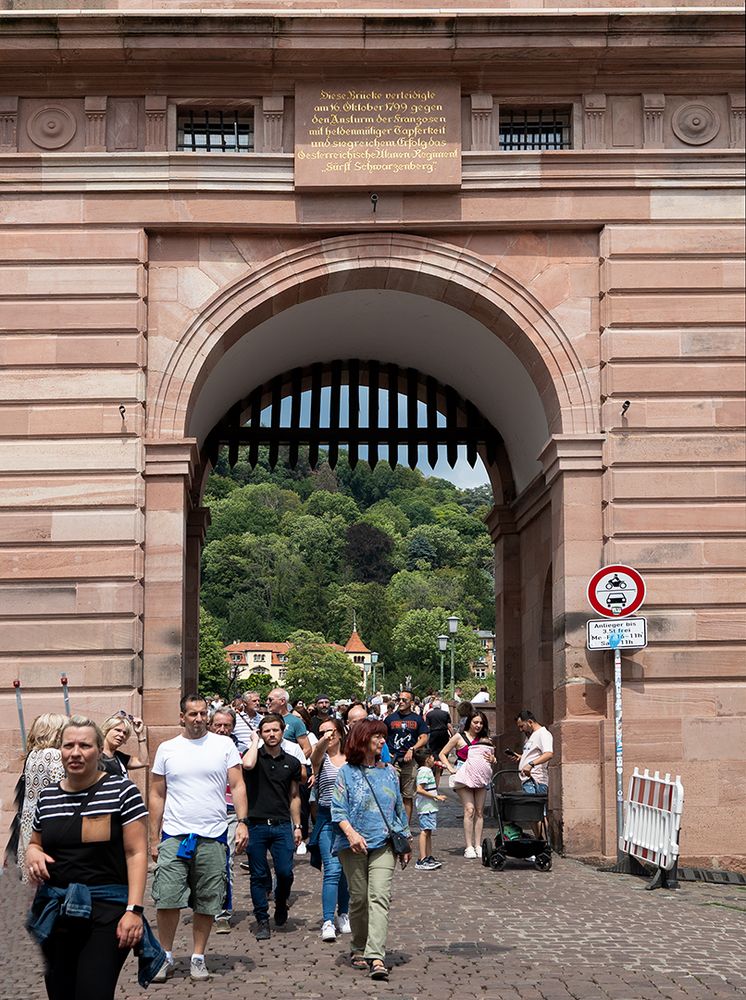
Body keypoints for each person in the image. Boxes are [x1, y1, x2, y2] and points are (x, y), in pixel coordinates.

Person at [24, 716, 163, 999]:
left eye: (85, 745)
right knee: (61, 993)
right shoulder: (48, 797)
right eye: (69, 745)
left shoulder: (122, 792)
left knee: (93, 992)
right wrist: (33, 852)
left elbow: (135, 853)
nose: (75, 752)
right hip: (57, 911)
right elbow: (36, 841)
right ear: (59, 750)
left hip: (107, 911)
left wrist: (134, 910)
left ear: (99, 751)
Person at [149, 694, 249, 982]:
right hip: (175, 835)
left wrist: (242, 822)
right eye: (192, 714)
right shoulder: (167, 749)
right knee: (167, 898)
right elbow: (157, 794)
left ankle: (198, 956)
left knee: (207, 901)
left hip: (213, 834)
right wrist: (153, 839)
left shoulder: (224, 745)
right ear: (182, 717)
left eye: (202, 713)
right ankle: (165, 956)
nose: (198, 719)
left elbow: (238, 784)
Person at [331, 719, 411, 982]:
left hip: (384, 844)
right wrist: (351, 834)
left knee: (379, 897)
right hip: (352, 844)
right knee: (359, 899)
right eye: (377, 736)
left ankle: (376, 955)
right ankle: (358, 945)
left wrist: (405, 841)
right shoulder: (346, 772)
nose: (382, 741)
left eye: (382, 737)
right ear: (362, 739)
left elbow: (399, 810)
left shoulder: (390, 772)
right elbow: (338, 809)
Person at [241, 713, 303, 941]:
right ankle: (262, 920)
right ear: (260, 733)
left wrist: (297, 826)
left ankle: (280, 901)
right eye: (266, 731)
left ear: (282, 731)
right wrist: (254, 742)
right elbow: (247, 764)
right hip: (255, 825)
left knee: (285, 872)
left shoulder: (292, 762)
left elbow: (294, 796)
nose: (271, 735)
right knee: (258, 875)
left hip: (281, 825)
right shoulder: (253, 757)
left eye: (275, 730)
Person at [9, 713, 66, 883]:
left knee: (31, 875)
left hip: (28, 818)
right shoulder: (54, 755)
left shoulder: (32, 754)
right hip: (47, 819)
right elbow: (60, 786)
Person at [308, 717, 351, 942]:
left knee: (345, 871)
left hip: (351, 822)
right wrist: (323, 741)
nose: (328, 735)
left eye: (331, 731)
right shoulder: (321, 759)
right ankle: (327, 920)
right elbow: (314, 755)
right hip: (327, 820)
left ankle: (343, 913)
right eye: (322, 732)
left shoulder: (352, 758)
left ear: (341, 733)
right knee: (332, 869)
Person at [209, 706, 245, 934]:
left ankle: (222, 912)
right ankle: (204, 905)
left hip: (230, 812)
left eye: (227, 726)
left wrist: (243, 820)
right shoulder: (198, 747)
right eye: (218, 725)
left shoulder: (239, 749)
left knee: (225, 862)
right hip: (203, 813)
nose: (222, 729)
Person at [438, 711, 493, 858]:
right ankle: (469, 846)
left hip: (480, 776)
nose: (478, 726)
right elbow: (442, 753)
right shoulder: (458, 737)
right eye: (475, 722)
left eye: (481, 723)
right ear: (469, 722)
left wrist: (493, 759)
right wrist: (450, 768)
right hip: (463, 776)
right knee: (469, 809)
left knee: (479, 811)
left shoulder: (485, 739)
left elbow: (492, 758)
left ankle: (478, 844)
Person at [384, 690, 429, 822]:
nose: (401, 702)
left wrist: (413, 749)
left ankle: (405, 826)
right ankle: (392, 824)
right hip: (393, 761)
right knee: (391, 794)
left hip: (410, 761)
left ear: (411, 702)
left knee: (407, 795)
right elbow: (382, 736)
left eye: (405, 700)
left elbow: (424, 737)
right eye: (399, 699)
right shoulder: (390, 719)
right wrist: (386, 752)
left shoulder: (417, 719)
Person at [413, 747, 445, 871]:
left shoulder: (428, 771)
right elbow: (419, 789)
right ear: (427, 759)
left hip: (430, 807)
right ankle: (422, 859)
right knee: (425, 831)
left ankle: (428, 856)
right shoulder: (424, 771)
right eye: (432, 757)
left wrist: (438, 772)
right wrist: (436, 796)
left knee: (428, 832)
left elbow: (434, 786)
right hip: (426, 807)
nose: (434, 759)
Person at [513, 710, 554, 795]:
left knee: (535, 807)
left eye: (522, 726)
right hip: (527, 780)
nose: (521, 730)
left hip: (536, 781)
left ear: (530, 722)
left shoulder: (543, 734)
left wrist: (530, 764)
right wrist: (522, 757)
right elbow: (534, 754)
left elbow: (548, 754)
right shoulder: (530, 736)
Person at [100, 713, 149, 777]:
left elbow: (143, 762)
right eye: (117, 730)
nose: (121, 735)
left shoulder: (119, 757)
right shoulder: (94, 755)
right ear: (106, 730)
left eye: (125, 733)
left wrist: (139, 734)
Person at [266, 688, 312, 756]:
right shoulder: (266, 720)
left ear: (282, 701)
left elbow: (307, 749)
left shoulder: (295, 722)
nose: (267, 702)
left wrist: (294, 764)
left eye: (270, 700)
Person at [424, 699, 452, 789]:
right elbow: (449, 725)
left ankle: (434, 764)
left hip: (433, 733)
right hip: (443, 733)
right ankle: (440, 766)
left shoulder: (429, 714)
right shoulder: (445, 713)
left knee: (433, 751)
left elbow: (427, 726)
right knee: (443, 750)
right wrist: (453, 735)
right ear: (440, 706)